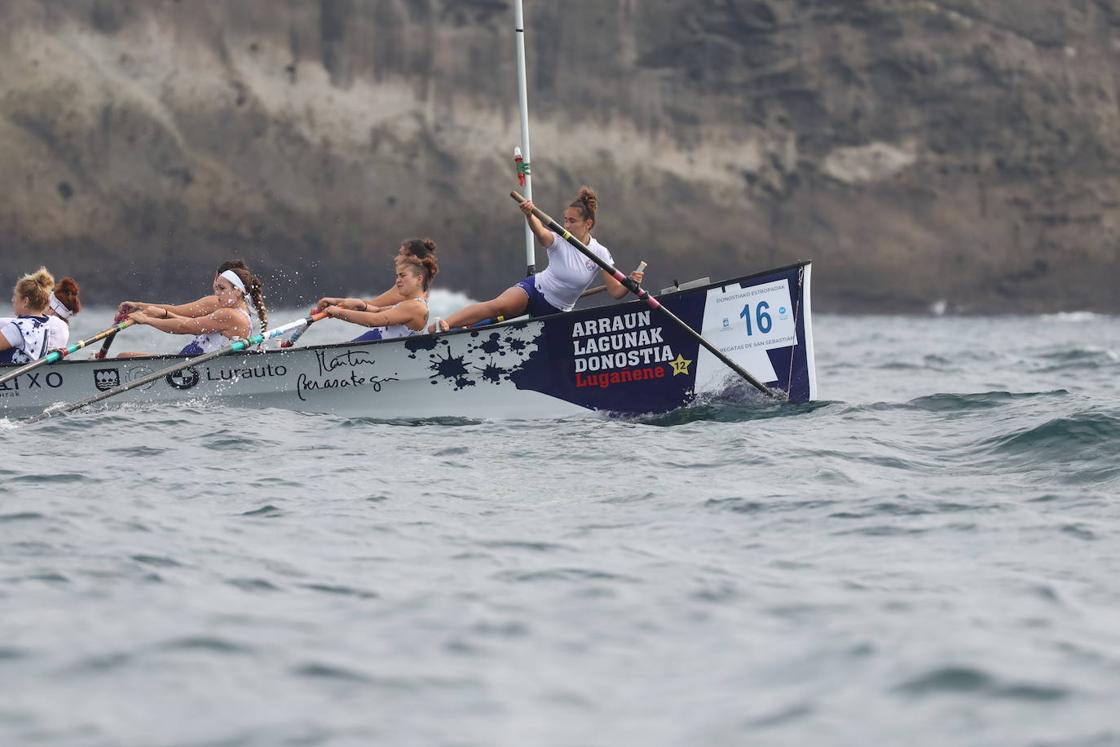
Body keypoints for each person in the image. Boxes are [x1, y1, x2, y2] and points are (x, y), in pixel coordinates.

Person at [431, 186, 643, 332]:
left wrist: (631, 283)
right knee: (499, 306)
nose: (566, 225)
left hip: (557, 311)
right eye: (565, 220)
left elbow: (616, 292)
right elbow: (541, 234)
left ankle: (469, 327)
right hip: (535, 290)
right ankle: (446, 324)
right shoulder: (560, 238)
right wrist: (529, 214)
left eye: (572, 221)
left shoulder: (600, 253)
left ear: (588, 223)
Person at [118, 264, 269, 357]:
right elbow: (192, 323)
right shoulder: (236, 311)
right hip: (192, 360)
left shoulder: (229, 314)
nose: (217, 293)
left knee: (123, 357)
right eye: (217, 288)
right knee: (125, 356)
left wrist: (146, 320)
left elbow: (184, 327)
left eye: (222, 288)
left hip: (193, 366)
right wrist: (164, 314)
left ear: (237, 291)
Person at [318, 254, 437, 341]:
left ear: (419, 279)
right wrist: (359, 305)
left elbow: (374, 320)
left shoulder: (415, 306)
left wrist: (338, 312)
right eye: (397, 276)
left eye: (402, 276)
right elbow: (377, 310)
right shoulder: (409, 304)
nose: (397, 281)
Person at [316, 238, 439, 311]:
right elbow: (373, 308)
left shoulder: (407, 287)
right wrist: (336, 304)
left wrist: (335, 303)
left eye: (401, 254)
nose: (397, 258)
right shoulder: (419, 284)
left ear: (413, 258)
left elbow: (373, 307)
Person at [0, 267, 55, 365]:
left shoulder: (19, 327)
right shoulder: (45, 324)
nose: (12, 300)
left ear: (25, 301)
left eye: (15, 296)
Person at [45, 276, 82, 349]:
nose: (39, 308)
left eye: (44, 304)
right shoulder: (64, 327)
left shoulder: (50, 322)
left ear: (52, 309)